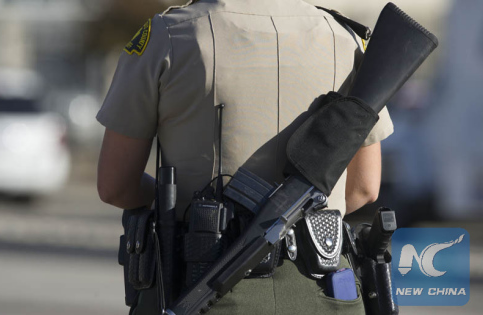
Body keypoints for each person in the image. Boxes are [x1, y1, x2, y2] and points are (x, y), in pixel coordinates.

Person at [96, 0, 393, 314]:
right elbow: (364, 187)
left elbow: (116, 185)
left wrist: (179, 207)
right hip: (326, 289)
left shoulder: (169, 34)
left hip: (204, 286)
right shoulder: (346, 40)